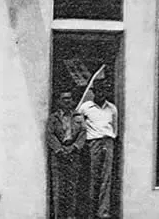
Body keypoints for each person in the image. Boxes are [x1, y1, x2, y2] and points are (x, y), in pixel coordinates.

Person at [77, 80, 118, 219]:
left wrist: (110, 140)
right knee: (92, 177)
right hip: (92, 143)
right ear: (93, 92)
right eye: (98, 91)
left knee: (106, 177)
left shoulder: (112, 108)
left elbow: (115, 128)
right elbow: (78, 126)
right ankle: (90, 211)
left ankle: (103, 211)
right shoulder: (85, 107)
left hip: (108, 141)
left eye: (104, 91)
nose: (101, 94)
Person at [46, 91, 85, 219]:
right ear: (59, 101)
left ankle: (71, 216)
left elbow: (83, 133)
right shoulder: (53, 118)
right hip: (58, 156)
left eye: (69, 98)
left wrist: (74, 147)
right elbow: (50, 134)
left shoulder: (78, 117)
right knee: (58, 189)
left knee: (72, 189)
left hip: (74, 155)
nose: (67, 101)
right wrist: (59, 149)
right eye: (64, 98)